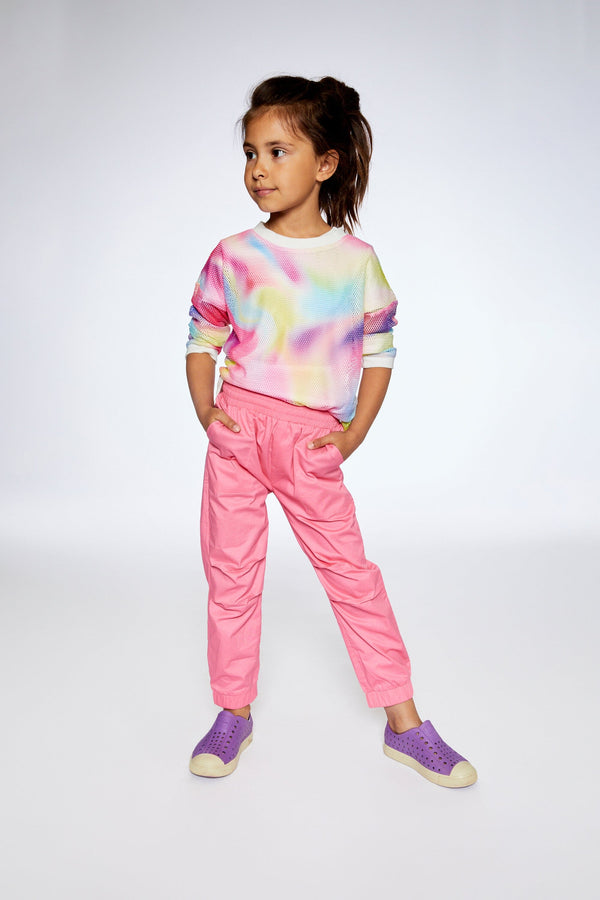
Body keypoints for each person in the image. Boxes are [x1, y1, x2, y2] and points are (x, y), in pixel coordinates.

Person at [185, 75, 477, 788]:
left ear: (325, 162)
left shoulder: (355, 262)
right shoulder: (233, 255)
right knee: (231, 576)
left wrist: (352, 435)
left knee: (351, 576)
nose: (259, 169)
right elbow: (202, 338)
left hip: (310, 441)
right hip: (238, 434)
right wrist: (208, 414)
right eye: (250, 153)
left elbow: (381, 353)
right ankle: (233, 711)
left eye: (277, 151)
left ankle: (405, 724)